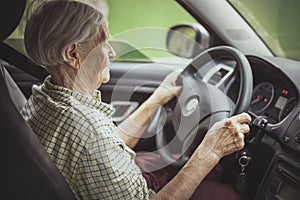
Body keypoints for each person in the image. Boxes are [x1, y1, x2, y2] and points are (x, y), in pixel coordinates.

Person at [21, 0, 251, 199]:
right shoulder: (89, 130)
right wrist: (210, 152)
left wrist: (156, 100)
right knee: (228, 194)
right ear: (73, 54)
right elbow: (95, 143)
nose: (111, 52)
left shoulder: (43, 96)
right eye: (103, 43)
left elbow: (103, 146)